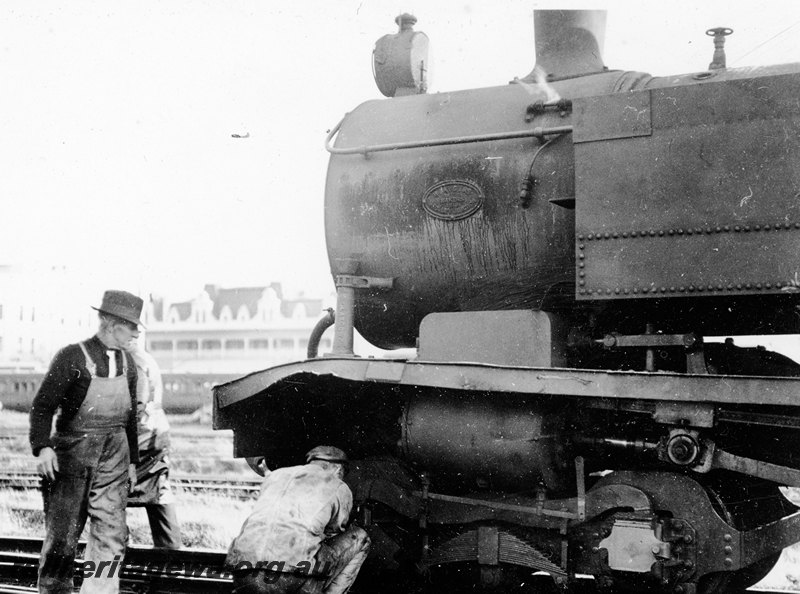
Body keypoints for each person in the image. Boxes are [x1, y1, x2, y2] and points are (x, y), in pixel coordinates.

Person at [29, 290, 143, 594]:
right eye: (130, 325)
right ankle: (54, 590)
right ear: (109, 322)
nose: (136, 331)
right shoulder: (72, 357)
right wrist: (42, 447)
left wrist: (132, 461)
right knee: (63, 535)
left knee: (111, 533)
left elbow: (130, 417)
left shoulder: (130, 364)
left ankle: (101, 590)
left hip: (115, 454)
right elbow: (42, 407)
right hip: (72, 454)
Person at [226, 446, 371, 594]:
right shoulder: (338, 485)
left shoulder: (275, 475)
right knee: (361, 537)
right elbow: (333, 533)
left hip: (242, 574)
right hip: (289, 579)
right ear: (338, 469)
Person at [124, 337, 182, 549]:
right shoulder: (144, 358)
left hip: (141, 442)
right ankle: (170, 556)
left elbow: (137, 408)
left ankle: (112, 561)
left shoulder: (133, 362)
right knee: (160, 490)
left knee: (109, 495)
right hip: (156, 440)